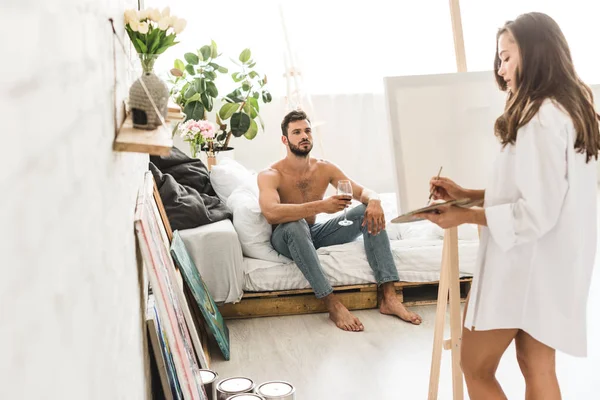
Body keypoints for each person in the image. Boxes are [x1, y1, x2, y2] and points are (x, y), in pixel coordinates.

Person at [417, 12, 599, 400]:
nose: (500, 70)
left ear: (535, 54)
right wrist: (468, 193)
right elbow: (539, 193)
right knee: (537, 364)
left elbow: (535, 211)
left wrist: (464, 215)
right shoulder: (572, 109)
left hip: (526, 265)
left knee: (474, 365)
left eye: (507, 57)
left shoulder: (541, 118)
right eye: (499, 59)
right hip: (554, 264)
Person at [257, 110, 422, 332]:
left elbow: (364, 191)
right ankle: (332, 303)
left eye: (307, 130)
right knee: (296, 224)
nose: (304, 136)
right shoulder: (270, 174)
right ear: (285, 140)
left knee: (366, 210)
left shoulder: (325, 168)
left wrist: (374, 201)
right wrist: (321, 206)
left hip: (314, 232)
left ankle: (389, 298)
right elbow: (271, 213)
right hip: (285, 236)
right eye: (296, 132)